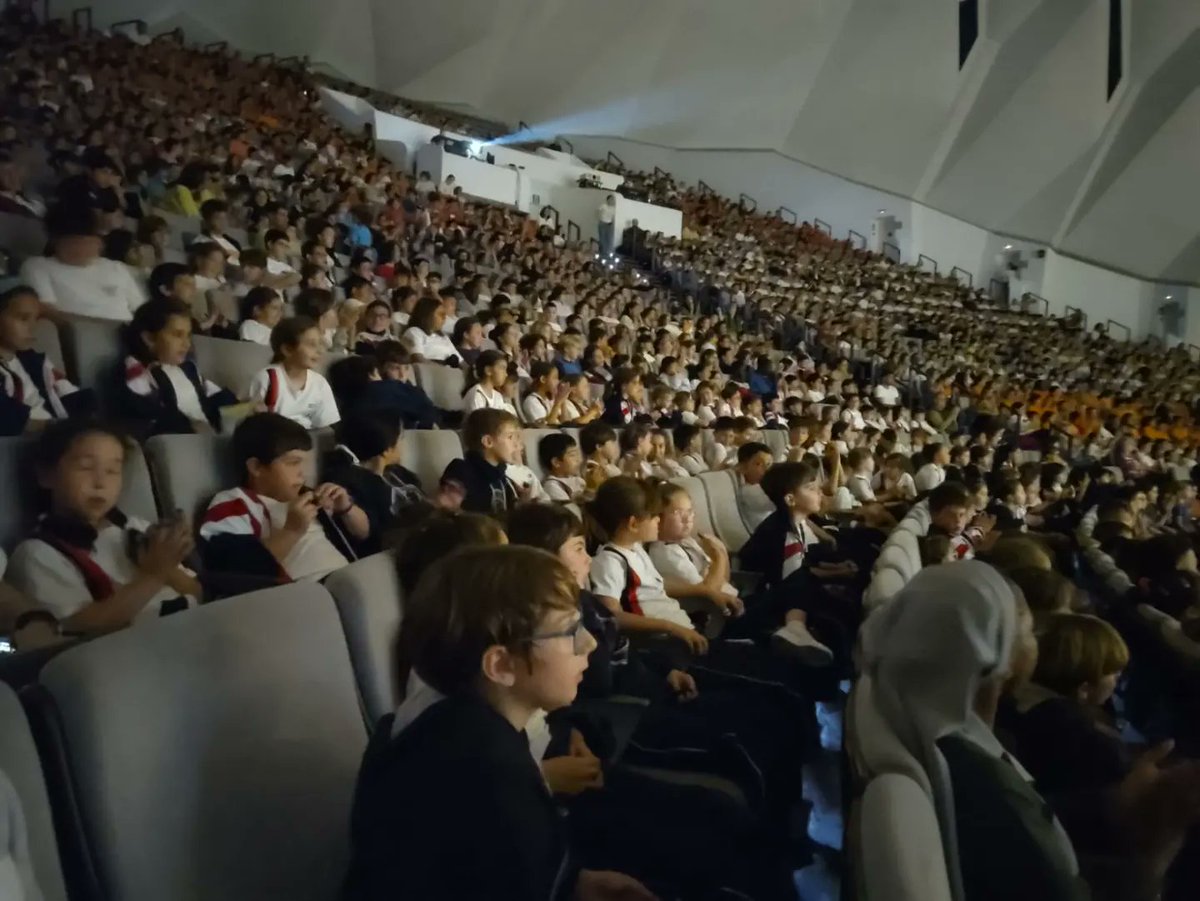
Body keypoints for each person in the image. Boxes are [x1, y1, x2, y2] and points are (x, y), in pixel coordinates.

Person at [340, 544, 656, 901]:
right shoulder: (487, 771)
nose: (589, 643)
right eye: (570, 631)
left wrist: (573, 884)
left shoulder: (467, 726)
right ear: (501, 666)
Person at [858, 561, 1093, 901]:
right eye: (1027, 631)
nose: (1037, 640)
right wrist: (1155, 850)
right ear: (995, 656)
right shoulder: (988, 789)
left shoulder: (907, 714)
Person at [6, 419, 198, 634]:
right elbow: (76, 630)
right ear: (46, 475)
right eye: (86, 467)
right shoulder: (36, 554)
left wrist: (169, 565)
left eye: (112, 471)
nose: (100, 482)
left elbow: (197, 593)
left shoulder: (137, 528)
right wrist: (154, 574)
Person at [200, 413, 367, 583]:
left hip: (349, 581)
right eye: (292, 463)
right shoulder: (233, 504)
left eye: (303, 463)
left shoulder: (307, 495)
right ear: (256, 467)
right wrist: (291, 531)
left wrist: (346, 508)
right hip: (308, 595)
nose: (303, 472)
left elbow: (364, 534)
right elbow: (236, 573)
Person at [586, 476, 709, 655]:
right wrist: (670, 627)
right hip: (663, 645)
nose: (659, 521)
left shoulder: (636, 548)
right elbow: (612, 616)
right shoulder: (609, 562)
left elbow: (654, 584)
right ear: (633, 524)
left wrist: (706, 591)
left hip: (682, 630)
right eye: (654, 516)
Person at [323, 409, 462, 555]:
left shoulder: (398, 473)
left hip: (432, 532)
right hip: (405, 549)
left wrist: (438, 501)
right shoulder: (351, 479)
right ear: (387, 450)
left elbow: (419, 505)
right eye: (401, 438)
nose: (403, 444)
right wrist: (347, 509)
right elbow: (366, 532)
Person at [117, 297, 236, 437]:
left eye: (188, 336)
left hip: (211, 439)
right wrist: (189, 425)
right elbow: (149, 413)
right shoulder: (137, 370)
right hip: (178, 443)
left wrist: (244, 409)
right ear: (149, 339)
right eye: (177, 335)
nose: (187, 344)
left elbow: (215, 400)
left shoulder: (188, 369)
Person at [19, 203, 145, 321]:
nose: (93, 245)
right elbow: (47, 312)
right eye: (79, 241)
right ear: (56, 241)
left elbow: (141, 311)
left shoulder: (117, 268)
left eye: (95, 239)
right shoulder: (37, 267)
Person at [0, 284, 93, 435]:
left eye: (35, 319)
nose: (32, 327)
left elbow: (71, 395)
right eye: (23, 318)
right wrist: (59, 429)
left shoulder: (34, 362)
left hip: (53, 436)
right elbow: (5, 417)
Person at [247, 317, 340, 430]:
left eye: (320, 344)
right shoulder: (267, 379)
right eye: (311, 344)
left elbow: (325, 425)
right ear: (287, 350)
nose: (319, 350)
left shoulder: (319, 383)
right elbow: (255, 424)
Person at [439, 408, 528, 516]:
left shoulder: (504, 479)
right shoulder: (461, 471)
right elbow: (447, 514)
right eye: (510, 437)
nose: (516, 444)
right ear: (488, 442)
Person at [733, 441, 776, 532]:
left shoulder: (765, 486)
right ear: (743, 467)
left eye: (769, 464)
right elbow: (784, 500)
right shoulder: (748, 492)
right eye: (759, 464)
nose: (767, 469)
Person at [403, 296, 459, 365]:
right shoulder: (414, 332)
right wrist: (443, 369)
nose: (444, 318)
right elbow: (417, 358)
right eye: (441, 314)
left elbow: (461, 361)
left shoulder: (444, 337)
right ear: (428, 315)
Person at [540, 432, 586, 502]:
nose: (579, 459)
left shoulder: (578, 480)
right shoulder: (552, 486)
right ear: (556, 462)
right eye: (573, 455)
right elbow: (569, 510)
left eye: (578, 454)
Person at [462, 349, 512, 414]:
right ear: (488, 370)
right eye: (502, 368)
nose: (506, 374)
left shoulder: (498, 396)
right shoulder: (477, 395)